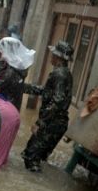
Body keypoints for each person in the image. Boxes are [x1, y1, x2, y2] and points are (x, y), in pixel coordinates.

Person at [21, 40, 74, 173]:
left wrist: (40, 122)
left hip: (52, 123)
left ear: (58, 57)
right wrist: (24, 87)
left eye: (53, 54)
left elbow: (57, 101)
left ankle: (31, 188)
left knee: (30, 157)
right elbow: (47, 92)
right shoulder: (65, 73)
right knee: (36, 156)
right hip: (57, 123)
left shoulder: (59, 74)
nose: (51, 56)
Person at [0, 37, 36, 111]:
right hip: (13, 110)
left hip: (4, 111)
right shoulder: (18, 68)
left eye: (0, 50)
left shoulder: (10, 72)